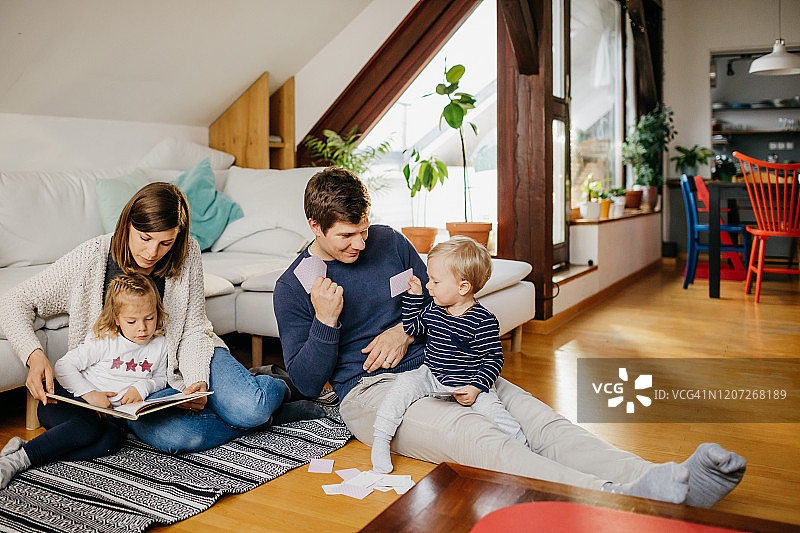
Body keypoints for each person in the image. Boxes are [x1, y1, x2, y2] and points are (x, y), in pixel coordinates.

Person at [273, 166, 747, 508]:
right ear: (315, 227)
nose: (359, 242)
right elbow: (311, 383)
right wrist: (326, 321)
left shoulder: (389, 241)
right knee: (483, 439)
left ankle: (664, 480)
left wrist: (402, 330)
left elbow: (434, 298)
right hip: (373, 392)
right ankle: (620, 499)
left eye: (362, 229)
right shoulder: (295, 285)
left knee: (542, 424)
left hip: (443, 362)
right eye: (346, 236)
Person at [0, 182, 321, 455]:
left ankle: (278, 388)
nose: (153, 252)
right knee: (177, 437)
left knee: (248, 407)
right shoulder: (92, 257)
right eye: (144, 238)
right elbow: (15, 301)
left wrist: (198, 382)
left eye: (165, 242)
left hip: (191, 355)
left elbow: (195, 327)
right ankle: (266, 415)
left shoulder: (187, 252)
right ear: (127, 224)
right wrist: (34, 354)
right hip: (143, 381)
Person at [371, 237, 526, 473]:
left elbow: (493, 359)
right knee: (402, 385)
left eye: (434, 281)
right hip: (432, 375)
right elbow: (412, 328)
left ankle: (523, 451)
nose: (429, 286)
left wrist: (476, 387)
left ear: (463, 287)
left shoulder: (483, 321)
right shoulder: (433, 309)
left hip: (468, 380)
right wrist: (414, 297)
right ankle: (381, 439)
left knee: (496, 414)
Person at [0, 273, 169, 488]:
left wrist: (143, 386)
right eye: (132, 321)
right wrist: (90, 395)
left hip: (104, 415)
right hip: (65, 401)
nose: (142, 328)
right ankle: (15, 462)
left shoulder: (160, 345)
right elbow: (63, 366)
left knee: (112, 440)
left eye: (149, 318)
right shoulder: (106, 340)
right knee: (87, 427)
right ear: (117, 318)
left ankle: (32, 449)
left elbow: (162, 376)